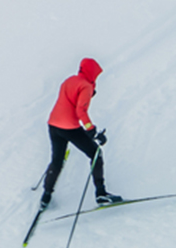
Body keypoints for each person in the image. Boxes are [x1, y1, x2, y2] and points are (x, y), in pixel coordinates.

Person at [40, 57, 122, 209]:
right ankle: (101, 193)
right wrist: (91, 130)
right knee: (96, 154)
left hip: (53, 124)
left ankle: (46, 195)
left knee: (57, 161)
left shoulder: (70, 80)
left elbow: (69, 101)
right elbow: (81, 111)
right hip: (70, 127)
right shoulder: (86, 86)